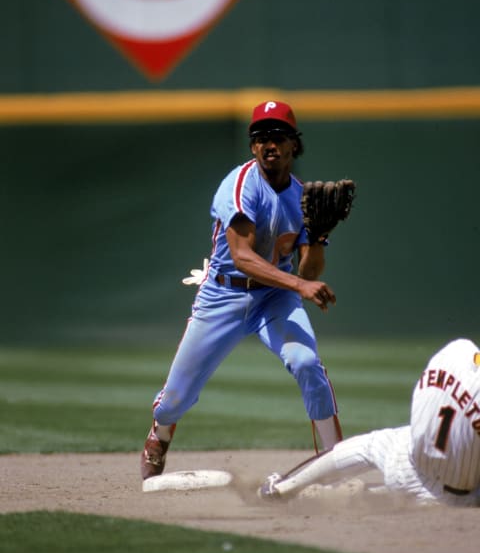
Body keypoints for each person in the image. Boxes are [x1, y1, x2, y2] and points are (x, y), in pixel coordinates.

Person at [141, 100, 345, 480]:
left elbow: (310, 269)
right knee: (174, 399)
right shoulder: (239, 185)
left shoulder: (302, 198)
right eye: (261, 137)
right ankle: (161, 433)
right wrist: (301, 284)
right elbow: (241, 257)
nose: (269, 143)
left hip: (275, 298)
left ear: (293, 146)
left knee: (306, 363)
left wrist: (317, 237)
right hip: (223, 296)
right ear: (253, 147)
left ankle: (338, 460)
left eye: (278, 136)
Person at [259, 338, 480, 506]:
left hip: (406, 467)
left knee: (373, 444)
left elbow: (422, 402)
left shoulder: (459, 350)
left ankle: (284, 488)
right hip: (463, 498)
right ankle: (377, 495)